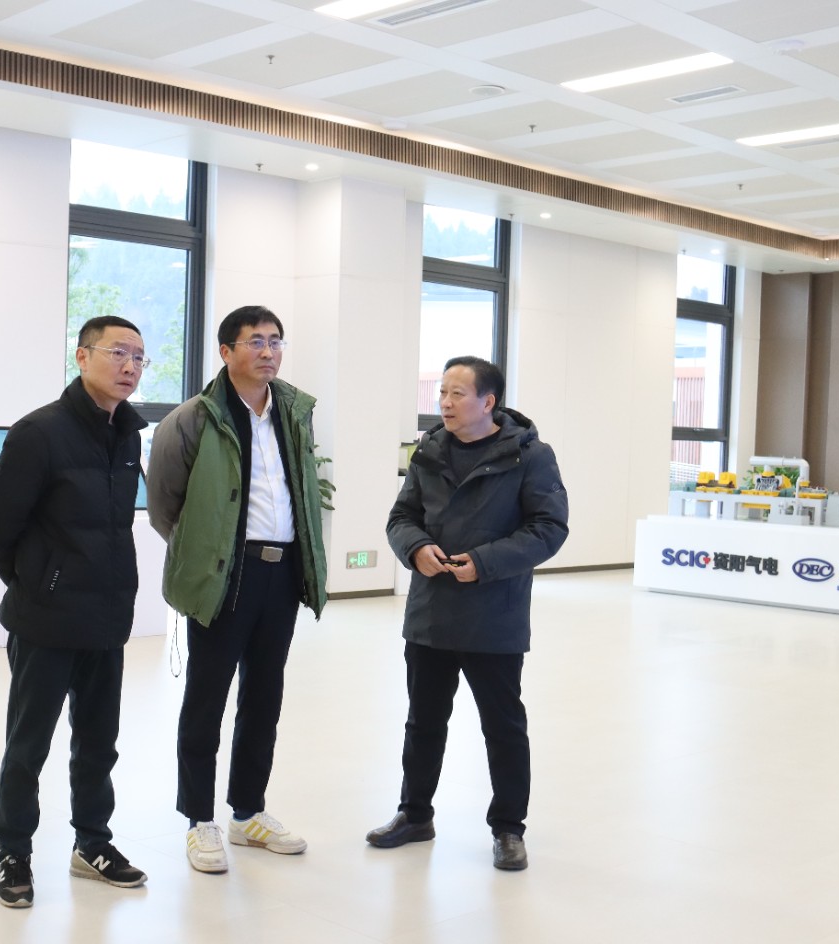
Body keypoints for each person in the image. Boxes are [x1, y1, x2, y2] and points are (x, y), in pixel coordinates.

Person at [0, 316, 151, 907]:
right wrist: (39, 583)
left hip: (107, 617)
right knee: (28, 746)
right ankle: (14, 852)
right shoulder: (39, 433)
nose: (129, 366)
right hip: (45, 620)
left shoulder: (128, 434)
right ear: (82, 356)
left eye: (139, 357)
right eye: (118, 352)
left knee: (99, 743)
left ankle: (92, 843)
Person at [147, 305, 327, 874]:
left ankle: (248, 812)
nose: (268, 351)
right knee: (207, 697)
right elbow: (165, 505)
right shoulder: (194, 418)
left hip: (282, 572)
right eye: (255, 341)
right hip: (227, 573)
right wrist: (207, 556)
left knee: (264, 696)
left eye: (276, 341)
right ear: (226, 352)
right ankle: (199, 819)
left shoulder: (293, 414)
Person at [370, 356, 567, 870]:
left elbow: (549, 528)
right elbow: (402, 516)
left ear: (488, 402)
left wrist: (483, 563)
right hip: (431, 612)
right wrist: (415, 548)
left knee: (503, 728)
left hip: (494, 614)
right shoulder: (430, 450)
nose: (445, 403)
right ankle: (415, 814)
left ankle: (508, 829)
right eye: (442, 393)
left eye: (458, 394)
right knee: (423, 722)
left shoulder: (530, 455)